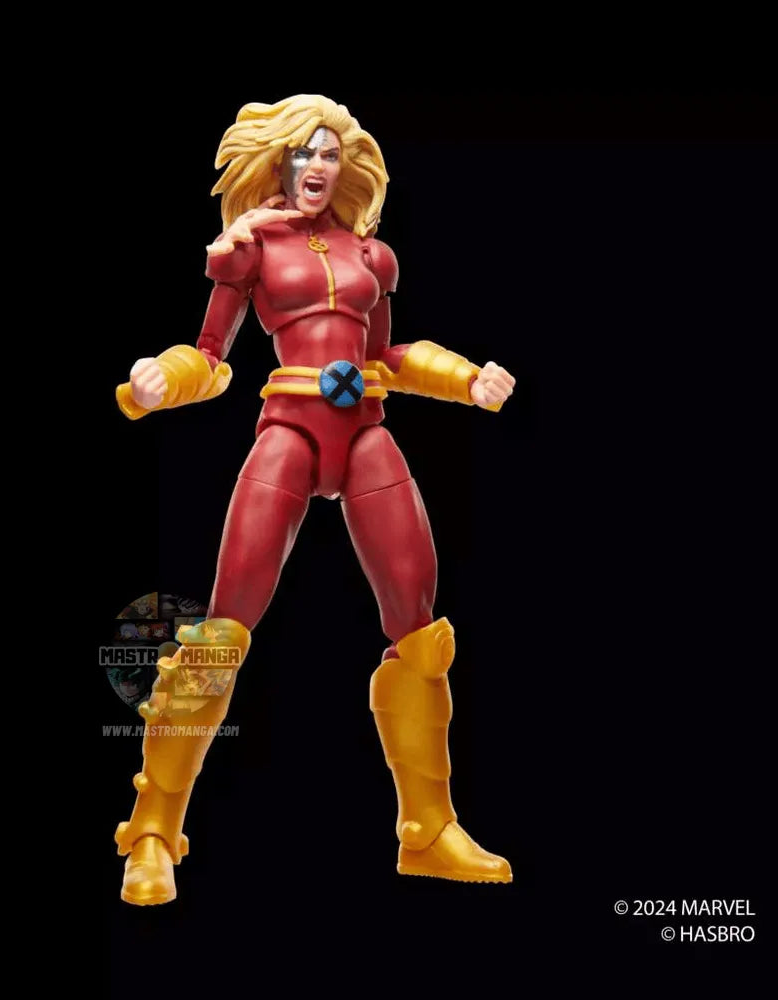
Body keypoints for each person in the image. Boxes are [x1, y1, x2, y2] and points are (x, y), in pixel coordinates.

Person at [114, 95, 516, 905]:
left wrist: (467, 379)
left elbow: (387, 354)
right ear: (281, 162)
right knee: (222, 628)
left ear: (345, 166)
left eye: (330, 154)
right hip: (291, 429)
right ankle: (152, 832)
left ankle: (428, 830)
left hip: (364, 430)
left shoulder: (372, 254)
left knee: (420, 627)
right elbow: (210, 354)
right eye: (304, 153)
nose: (318, 167)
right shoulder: (250, 247)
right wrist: (160, 383)